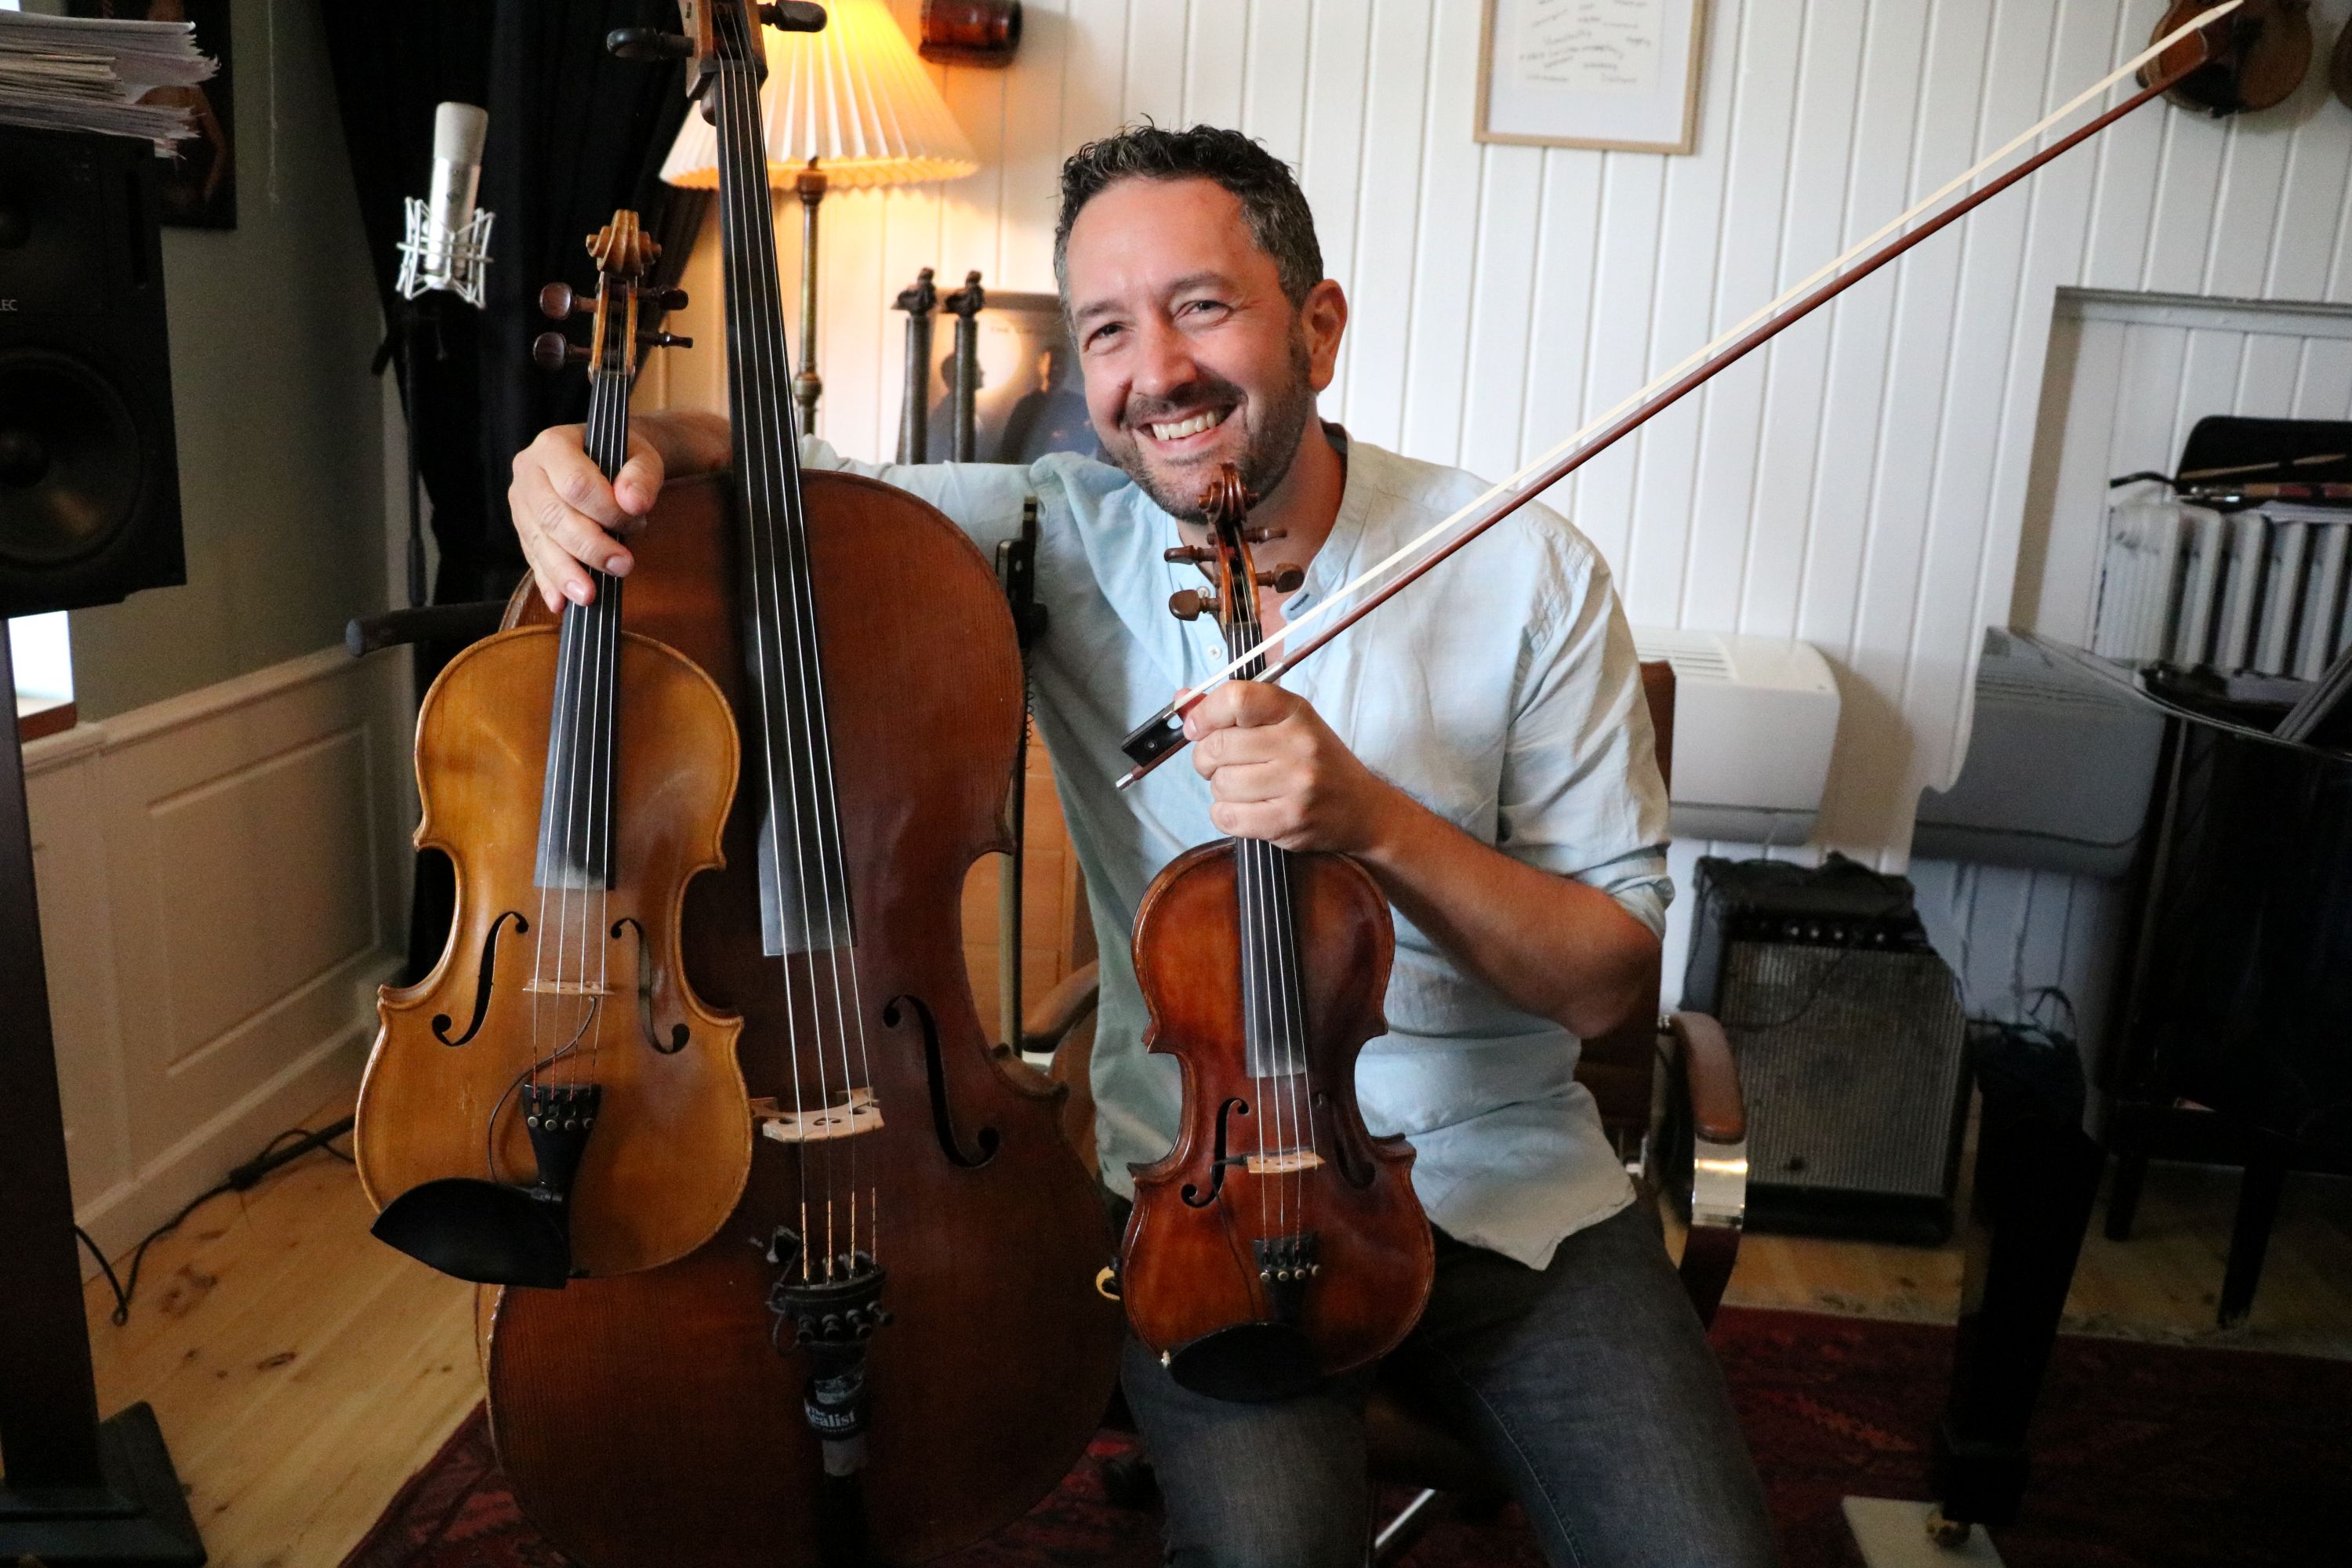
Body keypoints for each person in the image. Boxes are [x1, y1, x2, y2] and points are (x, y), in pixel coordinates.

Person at [508, 124, 1778, 1568]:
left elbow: (1610, 981)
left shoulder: (1525, 573)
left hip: (1508, 1194)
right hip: (1201, 1195)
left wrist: (1372, 822)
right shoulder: (1054, 538)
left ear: (1320, 324)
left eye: (1202, 306)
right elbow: (795, 485)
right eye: (1107, 328)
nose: (1155, 372)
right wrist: (613, 452)